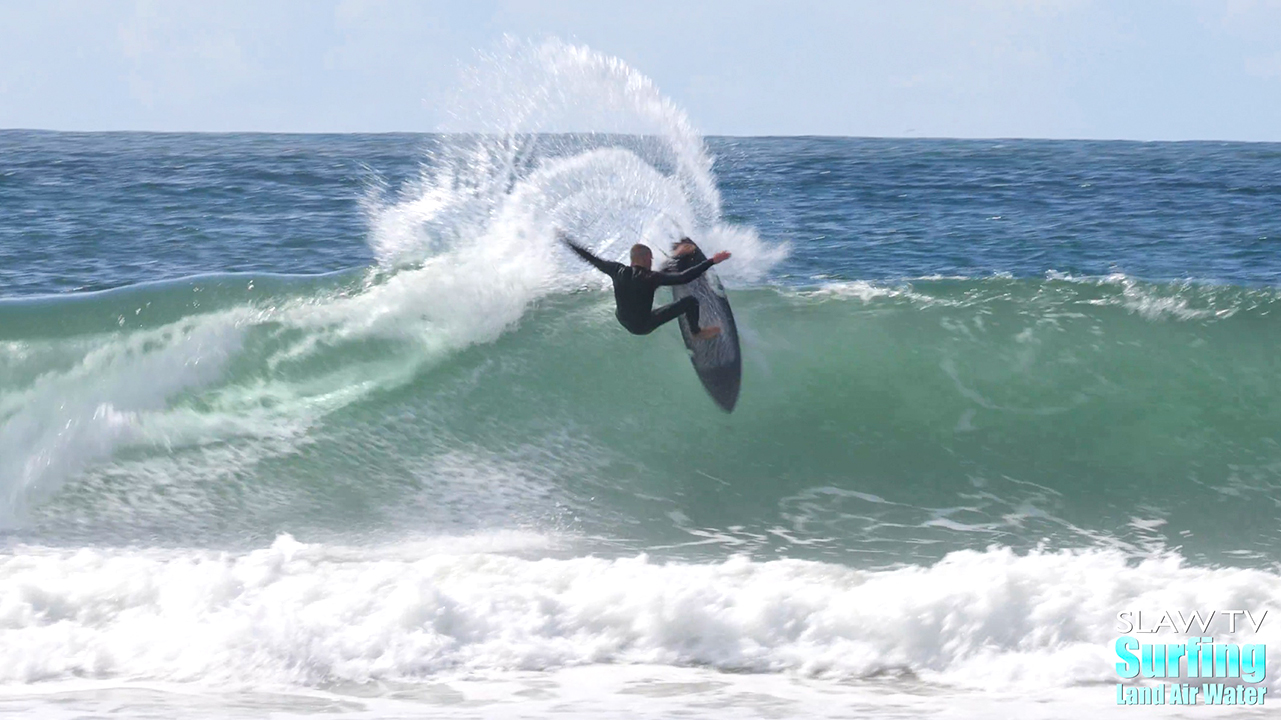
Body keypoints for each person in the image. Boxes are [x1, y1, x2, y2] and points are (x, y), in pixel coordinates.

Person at [560, 233, 731, 340]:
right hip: (643, 326)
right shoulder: (651, 277)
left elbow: (590, 257)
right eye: (650, 259)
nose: (651, 261)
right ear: (644, 258)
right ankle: (697, 333)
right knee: (691, 301)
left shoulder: (617, 270)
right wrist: (712, 261)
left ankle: (677, 256)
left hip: (622, 318)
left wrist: (567, 241)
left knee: (658, 277)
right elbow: (684, 278)